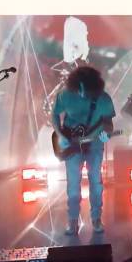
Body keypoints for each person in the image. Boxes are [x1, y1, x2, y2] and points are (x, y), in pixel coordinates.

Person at [51, 66, 116, 235]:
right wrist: (60, 135)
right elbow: (54, 114)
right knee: (73, 183)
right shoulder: (65, 95)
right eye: (81, 90)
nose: (84, 94)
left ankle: (96, 218)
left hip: (94, 145)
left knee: (96, 181)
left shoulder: (104, 99)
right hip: (71, 145)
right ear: (76, 85)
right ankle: (72, 220)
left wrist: (106, 134)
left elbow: (108, 124)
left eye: (88, 91)